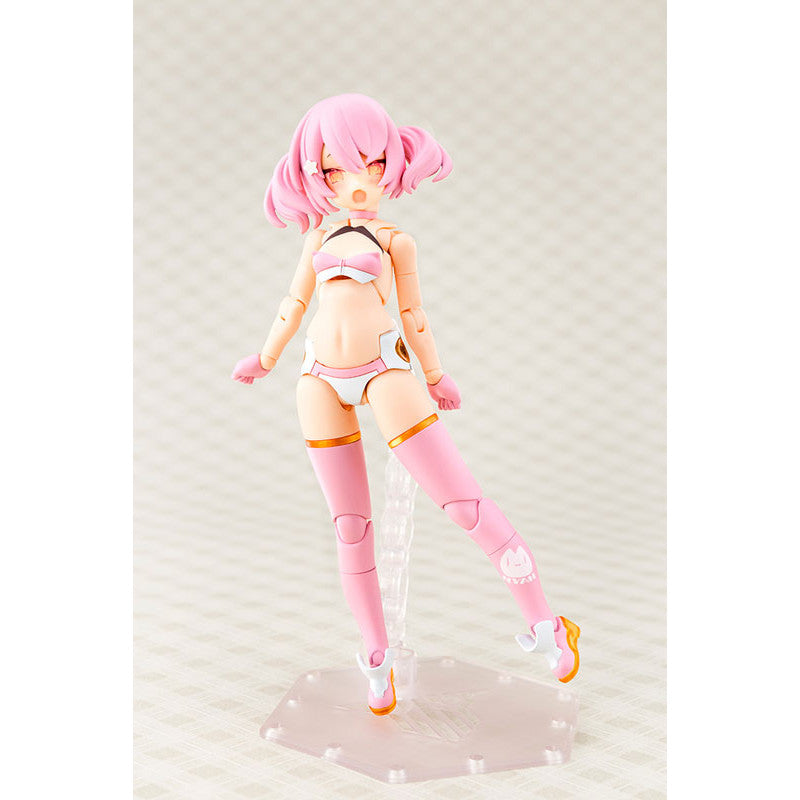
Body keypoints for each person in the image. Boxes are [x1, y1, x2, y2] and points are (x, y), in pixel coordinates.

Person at [233, 94, 580, 716]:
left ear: (391, 164)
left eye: (370, 164)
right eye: (335, 168)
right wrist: (265, 357)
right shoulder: (317, 236)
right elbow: (293, 303)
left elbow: (414, 314)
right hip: (318, 377)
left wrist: (436, 375)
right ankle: (375, 655)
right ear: (316, 175)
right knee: (350, 527)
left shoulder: (396, 240)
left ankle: (546, 623)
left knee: (463, 504)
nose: (355, 181)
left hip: (384, 370)